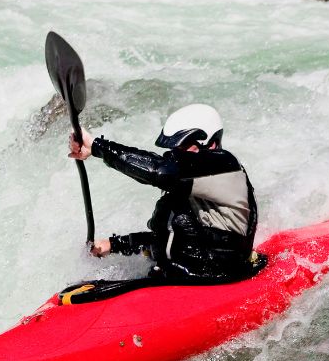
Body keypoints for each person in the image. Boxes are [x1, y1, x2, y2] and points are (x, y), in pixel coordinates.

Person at [67, 103, 259, 282]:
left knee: (179, 218)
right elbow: (171, 237)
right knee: (170, 210)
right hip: (197, 270)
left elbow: (158, 171)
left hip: (225, 274)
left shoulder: (224, 164)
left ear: (211, 144)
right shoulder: (194, 182)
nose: (176, 154)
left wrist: (97, 147)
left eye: (183, 147)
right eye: (174, 148)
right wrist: (115, 244)